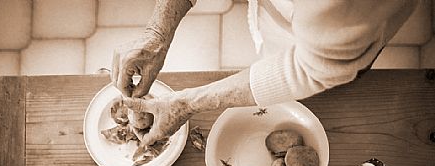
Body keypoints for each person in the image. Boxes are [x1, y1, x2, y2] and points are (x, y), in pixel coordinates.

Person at [111, 0, 418, 147]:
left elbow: (311, 68)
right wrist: (157, 34)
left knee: (324, 88)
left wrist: (187, 103)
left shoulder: (340, 5)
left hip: (330, 40)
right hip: (295, 20)